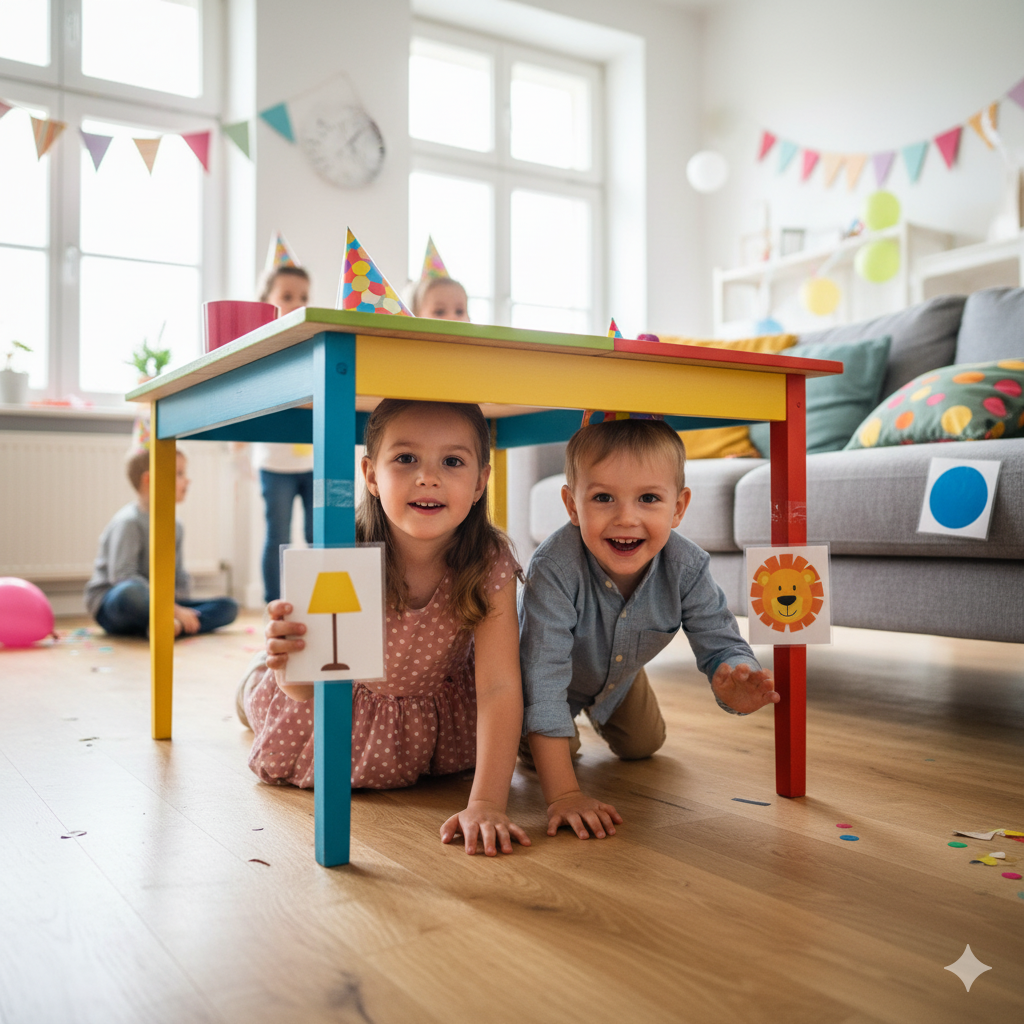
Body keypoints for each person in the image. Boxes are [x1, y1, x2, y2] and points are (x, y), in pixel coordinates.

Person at [239, 399, 531, 856]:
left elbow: (497, 685)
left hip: (433, 714)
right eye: (406, 458)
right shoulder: (342, 548)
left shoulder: (490, 559)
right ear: (371, 475)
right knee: (258, 696)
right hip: (340, 698)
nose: (428, 477)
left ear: (481, 483)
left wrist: (488, 802)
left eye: (452, 461)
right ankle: (255, 676)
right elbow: (302, 691)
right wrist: (285, 663)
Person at [518, 415, 780, 842]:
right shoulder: (554, 568)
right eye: (603, 497)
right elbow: (542, 677)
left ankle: (599, 711)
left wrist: (734, 672)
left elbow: (720, 641)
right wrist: (564, 794)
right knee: (554, 750)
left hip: (618, 676)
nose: (626, 518)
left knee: (644, 745)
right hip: (540, 680)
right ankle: (531, 738)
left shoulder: (688, 567)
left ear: (678, 507)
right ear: (571, 506)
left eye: (648, 499)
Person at [85, 448, 238, 638]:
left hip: (164, 606)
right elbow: (122, 577)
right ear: (149, 480)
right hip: (116, 605)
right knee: (131, 592)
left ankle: (171, 627)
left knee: (228, 607)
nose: (187, 480)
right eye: (179, 474)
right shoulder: (129, 522)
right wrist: (172, 609)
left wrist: (178, 604)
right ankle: (167, 622)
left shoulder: (176, 526)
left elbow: (179, 574)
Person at [253, 264, 314, 603]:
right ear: (267, 302)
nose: (297, 302)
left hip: (313, 457)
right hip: (275, 463)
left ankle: (317, 603)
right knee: (278, 535)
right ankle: (273, 605)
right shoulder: (265, 345)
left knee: (317, 534)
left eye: (303, 296)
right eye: (287, 296)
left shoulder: (312, 341)